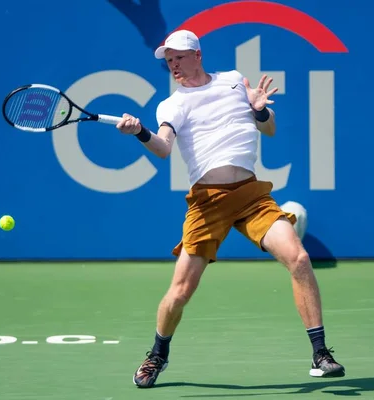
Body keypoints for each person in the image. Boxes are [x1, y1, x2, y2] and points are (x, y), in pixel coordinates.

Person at [115, 29, 345, 389]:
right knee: (180, 292)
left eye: (178, 57)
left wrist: (259, 109)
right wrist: (140, 130)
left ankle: (320, 352)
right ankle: (157, 354)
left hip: (251, 195)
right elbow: (162, 148)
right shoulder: (172, 104)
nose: (173, 64)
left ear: (198, 55)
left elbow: (268, 129)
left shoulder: (235, 82)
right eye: (168, 59)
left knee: (298, 259)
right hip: (208, 202)